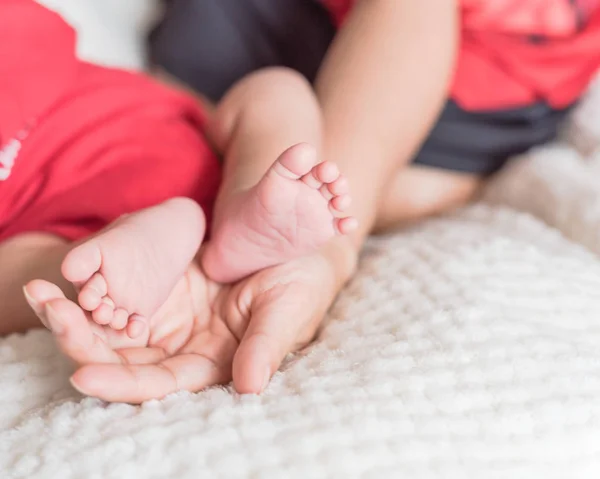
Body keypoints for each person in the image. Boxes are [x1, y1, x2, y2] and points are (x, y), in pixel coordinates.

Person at [2, 0, 356, 402]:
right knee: (276, 93)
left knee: (275, 91)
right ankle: (125, 265)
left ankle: (239, 208)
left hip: (180, 157)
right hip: (104, 222)